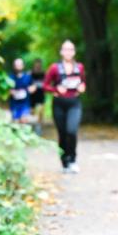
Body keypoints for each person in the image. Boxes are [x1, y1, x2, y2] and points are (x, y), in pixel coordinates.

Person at [42, 40, 86, 173]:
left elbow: (83, 82)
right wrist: (55, 89)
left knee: (71, 131)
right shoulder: (55, 68)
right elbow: (45, 86)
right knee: (62, 133)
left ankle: (72, 160)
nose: (68, 52)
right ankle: (64, 162)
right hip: (59, 104)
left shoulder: (79, 67)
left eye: (71, 49)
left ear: (74, 52)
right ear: (61, 52)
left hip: (74, 103)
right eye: (65, 49)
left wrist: (83, 87)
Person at [8, 58, 35, 123]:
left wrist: (31, 89)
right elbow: (6, 90)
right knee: (15, 122)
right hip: (14, 104)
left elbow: (33, 86)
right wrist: (11, 92)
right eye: (16, 65)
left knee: (24, 120)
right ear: (14, 66)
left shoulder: (27, 77)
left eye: (19, 65)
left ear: (23, 66)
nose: (18, 67)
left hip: (25, 103)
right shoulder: (10, 77)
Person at [30, 58, 47, 135]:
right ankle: (32, 127)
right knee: (32, 112)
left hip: (41, 95)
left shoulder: (44, 73)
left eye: (38, 64)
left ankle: (39, 127)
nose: (37, 66)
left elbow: (47, 83)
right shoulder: (30, 74)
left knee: (40, 112)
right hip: (32, 96)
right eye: (36, 64)